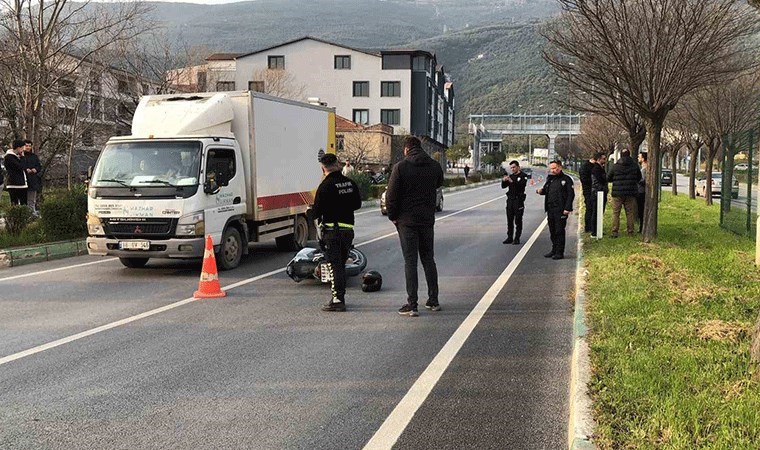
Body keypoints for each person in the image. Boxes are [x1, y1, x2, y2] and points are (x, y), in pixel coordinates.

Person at [386, 136, 444, 317]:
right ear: (420, 147)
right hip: (427, 219)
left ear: (406, 149)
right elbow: (439, 184)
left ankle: (412, 304)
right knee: (428, 259)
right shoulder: (434, 166)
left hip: (406, 221)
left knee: (410, 262)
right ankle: (433, 300)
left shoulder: (401, 167)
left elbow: (391, 196)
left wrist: (393, 217)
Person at [311, 153, 362, 312]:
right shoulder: (350, 183)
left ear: (322, 168)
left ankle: (338, 299)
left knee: (335, 266)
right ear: (338, 164)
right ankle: (340, 296)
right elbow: (357, 204)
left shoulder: (325, 186)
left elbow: (316, 212)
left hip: (332, 232)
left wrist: (310, 212)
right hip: (347, 231)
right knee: (341, 263)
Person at [536, 160, 574, 260]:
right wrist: (541, 191)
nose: (552, 170)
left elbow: (570, 195)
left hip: (560, 209)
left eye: (554, 168)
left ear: (560, 167)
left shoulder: (566, 179)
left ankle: (559, 252)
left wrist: (567, 208)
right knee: (552, 230)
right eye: (551, 168)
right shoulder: (550, 179)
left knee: (559, 231)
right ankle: (554, 249)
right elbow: (546, 190)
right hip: (550, 209)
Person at [607, 149, 642, 237]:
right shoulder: (635, 166)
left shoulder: (615, 166)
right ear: (629, 155)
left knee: (616, 213)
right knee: (630, 213)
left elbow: (608, 178)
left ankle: (615, 232)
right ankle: (630, 232)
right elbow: (639, 177)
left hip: (617, 193)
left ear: (621, 156)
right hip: (630, 192)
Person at [501, 160, 528, 245]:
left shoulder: (524, 176)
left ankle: (517, 238)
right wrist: (504, 180)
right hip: (510, 200)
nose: (512, 169)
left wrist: (511, 181)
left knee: (518, 220)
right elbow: (503, 186)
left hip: (518, 200)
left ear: (518, 167)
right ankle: (509, 237)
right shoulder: (511, 176)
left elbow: (521, 186)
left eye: (514, 167)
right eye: (511, 168)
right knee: (509, 220)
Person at [4, 139, 28, 205]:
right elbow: (20, 167)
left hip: (21, 183)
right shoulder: (9, 157)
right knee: (15, 203)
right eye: (23, 148)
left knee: (24, 203)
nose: (23, 150)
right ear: (18, 148)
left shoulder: (17, 156)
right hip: (14, 184)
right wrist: (23, 158)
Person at [590, 152, 608, 238]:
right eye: (603, 159)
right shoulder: (596, 169)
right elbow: (601, 180)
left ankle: (598, 230)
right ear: (598, 159)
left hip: (600, 191)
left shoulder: (600, 168)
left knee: (599, 212)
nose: (605, 160)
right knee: (596, 211)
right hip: (598, 192)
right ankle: (594, 231)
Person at [578, 154, 597, 233]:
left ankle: (591, 226)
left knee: (591, 208)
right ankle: (588, 227)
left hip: (590, 190)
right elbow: (584, 180)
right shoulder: (586, 167)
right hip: (588, 190)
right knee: (589, 208)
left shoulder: (589, 166)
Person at [22, 140, 42, 211]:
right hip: (23, 181)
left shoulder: (34, 156)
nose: (28, 147)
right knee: (22, 201)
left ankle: (32, 215)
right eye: (26, 146)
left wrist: (35, 169)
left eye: (29, 146)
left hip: (33, 181)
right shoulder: (21, 156)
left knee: (32, 200)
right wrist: (25, 169)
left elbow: (39, 166)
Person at [637, 152, 647, 233]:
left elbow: (643, 181)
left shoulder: (644, 169)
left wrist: (636, 180)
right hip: (641, 191)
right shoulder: (643, 168)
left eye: (639, 157)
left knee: (641, 210)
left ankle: (641, 228)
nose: (638, 158)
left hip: (641, 192)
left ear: (643, 159)